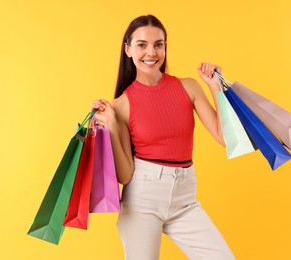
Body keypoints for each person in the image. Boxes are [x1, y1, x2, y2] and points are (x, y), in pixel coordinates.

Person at [91, 14, 235, 260]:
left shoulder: (188, 87)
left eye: (159, 44)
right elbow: (125, 175)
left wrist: (214, 87)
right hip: (142, 200)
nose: (151, 52)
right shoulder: (121, 105)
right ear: (127, 50)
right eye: (142, 45)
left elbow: (225, 138)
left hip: (185, 198)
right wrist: (112, 125)